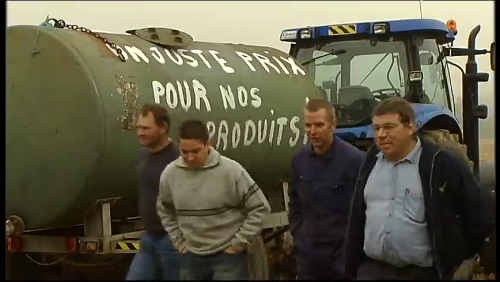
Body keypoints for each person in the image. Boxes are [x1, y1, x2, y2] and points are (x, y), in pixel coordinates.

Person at [344, 98, 488, 280]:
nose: (380, 135)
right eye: (377, 128)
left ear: (410, 127)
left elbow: (475, 214)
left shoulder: (440, 164)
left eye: (388, 127)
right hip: (372, 270)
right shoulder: (370, 161)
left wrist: (463, 258)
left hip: (420, 273)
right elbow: (356, 217)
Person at [156, 119, 271, 280]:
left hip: (228, 258)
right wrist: (179, 242)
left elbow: (260, 208)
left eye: (195, 151)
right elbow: (164, 209)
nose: (189, 157)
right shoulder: (170, 175)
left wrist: (238, 244)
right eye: (184, 152)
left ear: (207, 145)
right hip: (191, 258)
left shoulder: (231, 171)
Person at [289, 98, 366, 280]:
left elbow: (365, 209)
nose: (312, 131)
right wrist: (299, 234)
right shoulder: (299, 161)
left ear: (333, 124)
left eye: (319, 125)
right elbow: (295, 203)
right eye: (308, 125)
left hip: (342, 257)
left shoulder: (355, 161)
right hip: (310, 256)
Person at [125, 104, 180, 280]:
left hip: (172, 243)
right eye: (138, 128)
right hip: (149, 239)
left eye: (146, 128)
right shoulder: (144, 156)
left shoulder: (177, 159)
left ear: (163, 128)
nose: (140, 132)